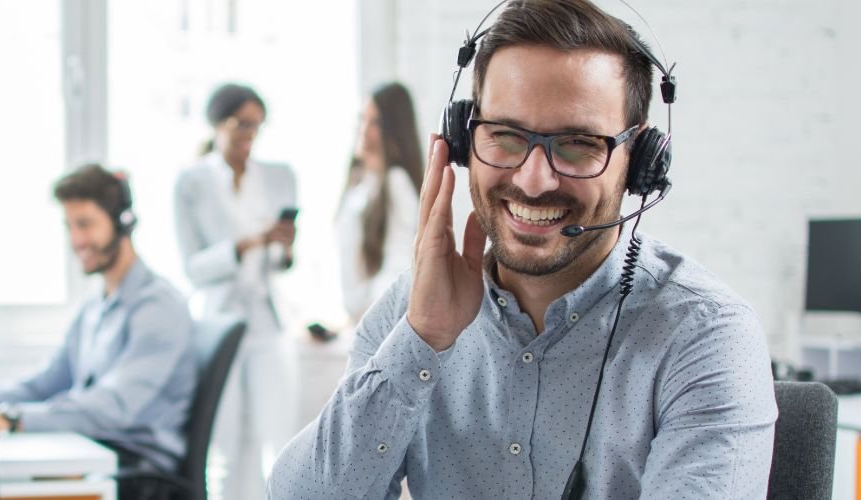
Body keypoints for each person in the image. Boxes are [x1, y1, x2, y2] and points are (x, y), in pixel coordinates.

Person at [269, 1, 776, 498]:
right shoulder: (411, 314)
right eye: (506, 136)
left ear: (640, 160)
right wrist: (422, 340)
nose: (533, 181)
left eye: (578, 143)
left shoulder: (705, 334)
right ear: (464, 141)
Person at [0, 164, 196, 479]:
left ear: (122, 222)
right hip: (94, 450)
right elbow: (46, 383)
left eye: (85, 224)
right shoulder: (93, 307)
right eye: (69, 226)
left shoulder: (158, 308)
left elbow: (112, 406)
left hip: (137, 469)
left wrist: (12, 419)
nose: (76, 240)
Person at [173, 83, 298, 499]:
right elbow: (193, 268)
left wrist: (283, 245)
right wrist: (244, 243)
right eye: (242, 125)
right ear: (217, 123)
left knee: (279, 439)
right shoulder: (191, 183)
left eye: (257, 126)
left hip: (266, 322)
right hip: (219, 322)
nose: (249, 135)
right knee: (224, 446)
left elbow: (282, 263)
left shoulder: (278, 177)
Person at [338, 82, 424, 324]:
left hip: (377, 323)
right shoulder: (361, 182)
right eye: (362, 119)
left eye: (374, 122)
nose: (364, 130)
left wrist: (368, 321)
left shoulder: (396, 182)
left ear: (392, 128)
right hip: (359, 320)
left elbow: (399, 265)